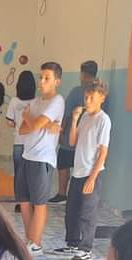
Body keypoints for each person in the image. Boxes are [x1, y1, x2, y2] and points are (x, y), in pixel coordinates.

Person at [53, 79, 111, 260]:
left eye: (91, 97)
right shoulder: (85, 117)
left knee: (87, 213)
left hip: (91, 173)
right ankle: (72, 243)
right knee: (72, 211)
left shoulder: (103, 120)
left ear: (102, 98)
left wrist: (92, 178)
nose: (87, 101)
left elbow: (103, 152)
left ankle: (86, 248)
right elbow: (72, 142)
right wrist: (74, 120)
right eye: (86, 97)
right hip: (78, 172)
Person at [16, 62, 65, 253]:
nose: (42, 81)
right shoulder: (35, 102)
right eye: (41, 77)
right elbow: (22, 130)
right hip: (27, 155)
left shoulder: (57, 101)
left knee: (39, 202)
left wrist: (31, 119)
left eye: (47, 78)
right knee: (24, 201)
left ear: (57, 81)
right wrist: (39, 123)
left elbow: (34, 125)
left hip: (42, 158)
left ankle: (36, 242)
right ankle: (30, 239)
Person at [51, 60, 98, 203]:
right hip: (88, 140)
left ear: (83, 74)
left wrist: (61, 132)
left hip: (71, 137)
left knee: (63, 164)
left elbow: (66, 114)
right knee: (82, 167)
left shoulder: (77, 91)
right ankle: (78, 196)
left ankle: (62, 194)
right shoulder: (99, 93)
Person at [4, 70, 36, 196]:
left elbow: (9, 122)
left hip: (18, 141)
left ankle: (19, 198)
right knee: (31, 173)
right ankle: (30, 197)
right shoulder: (36, 101)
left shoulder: (14, 101)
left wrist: (17, 125)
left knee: (18, 173)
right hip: (33, 143)